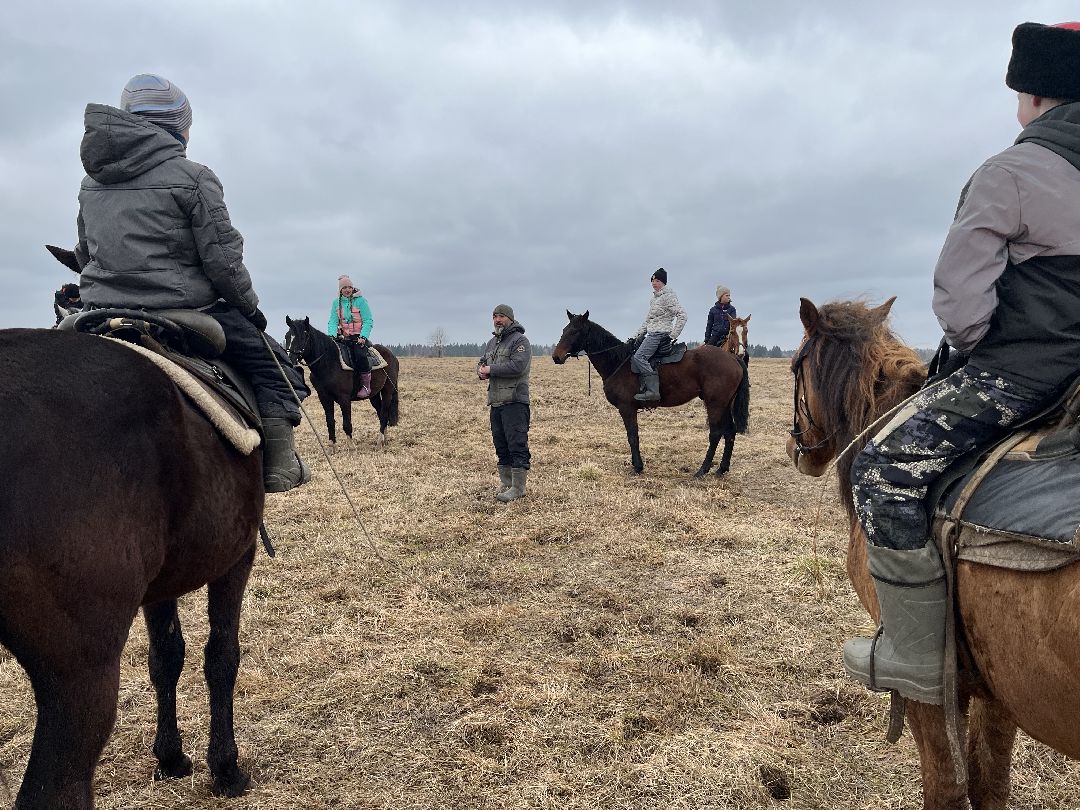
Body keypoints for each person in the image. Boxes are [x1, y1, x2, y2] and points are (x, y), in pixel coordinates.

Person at [844, 21, 1080, 705]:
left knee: (882, 469)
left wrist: (984, 350)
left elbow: (961, 300)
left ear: (1033, 96)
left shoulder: (1010, 173)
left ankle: (917, 654)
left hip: (1026, 376)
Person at [74, 74, 311, 492]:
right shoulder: (194, 177)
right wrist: (249, 308)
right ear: (177, 128)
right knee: (276, 370)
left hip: (100, 310)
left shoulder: (91, 183)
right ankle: (279, 467)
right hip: (185, 309)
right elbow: (223, 262)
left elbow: (84, 253)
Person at [478, 304, 531, 502]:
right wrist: (480, 371)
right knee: (500, 444)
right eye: (494, 316)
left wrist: (491, 370)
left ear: (510, 319)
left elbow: (518, 366)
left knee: (516, 444)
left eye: (501, 316)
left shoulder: (520, 341)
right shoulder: (492, 343)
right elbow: (482, 362)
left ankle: (518, 487)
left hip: (515, 401)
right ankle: (507, 483)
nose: (497, 320)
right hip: (496, 401)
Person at [630, 267, 687, 402]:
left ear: (663, 282)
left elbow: (682, 315)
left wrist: (672, 335)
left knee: (639, 357)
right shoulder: (654, 299)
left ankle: (652, 391)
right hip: (651, 333)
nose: (653, 283)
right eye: (652, 281)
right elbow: (648, 321)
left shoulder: (668, 296)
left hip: (659, 334)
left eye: (657, 281)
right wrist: (635, 336)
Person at [328, 275, 374, 399]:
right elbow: (333, 321)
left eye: (349, 287)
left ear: (352, 288)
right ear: (340, 290)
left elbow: (368, 320)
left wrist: (363, 336)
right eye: (344, 288)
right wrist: (331, 335)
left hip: (359, 337)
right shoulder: (336, 303)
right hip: (344, 338)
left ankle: (366, 385)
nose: (347, 290)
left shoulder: (361, 301)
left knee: (360, 355)